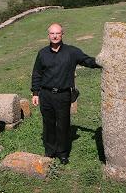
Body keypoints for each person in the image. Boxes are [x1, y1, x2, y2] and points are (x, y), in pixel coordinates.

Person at [31, 23, 101, 165]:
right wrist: (35, 93)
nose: (55, 36)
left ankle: (63, 153)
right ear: (48, 35)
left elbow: (86, 60)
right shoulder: (42, 53)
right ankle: (50, 151)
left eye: (57, 33)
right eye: (52, 33)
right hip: (46, 94)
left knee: (63, 124)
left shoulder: (72, 52)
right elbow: (37, 73)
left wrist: (102, 62)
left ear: (62, 34)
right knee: (48, 124)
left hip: (63, 95)